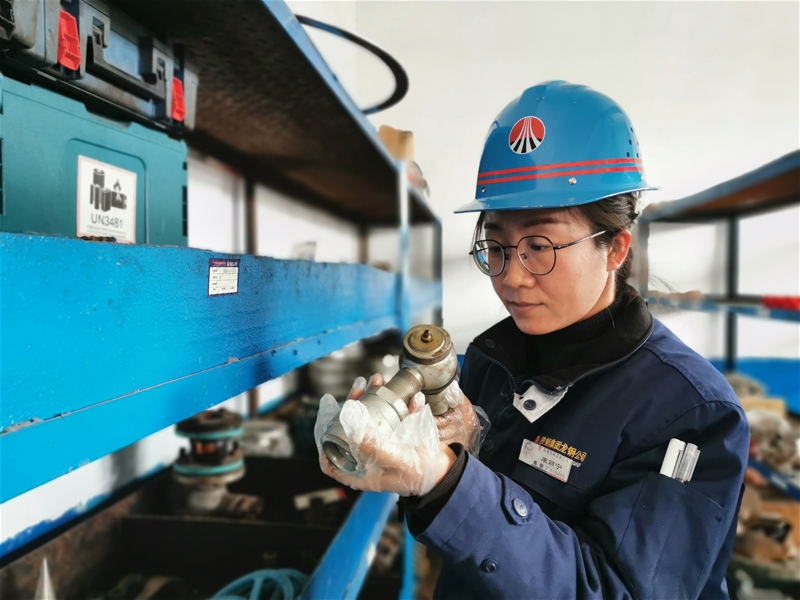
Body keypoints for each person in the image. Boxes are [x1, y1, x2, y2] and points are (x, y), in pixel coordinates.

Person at [315, 81, 749, 599]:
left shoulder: (692, 414)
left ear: (615, 248)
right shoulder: (492, 361)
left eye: (540, 246)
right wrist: (452, 460)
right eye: (496, 245)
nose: (511, 278)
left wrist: (447, 481)